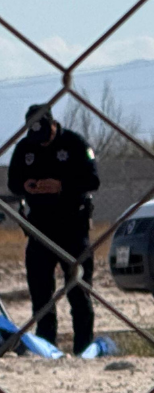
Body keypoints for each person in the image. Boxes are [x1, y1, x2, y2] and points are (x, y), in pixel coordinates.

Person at [6, 104, 99, 355]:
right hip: (39, 228)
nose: (41, 143)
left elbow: (93, 180)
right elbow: (13, 182)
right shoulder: (25, 148)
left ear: (53, 125)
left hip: (72, 228)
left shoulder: (75, 144)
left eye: (44, 136)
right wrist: (27, 185)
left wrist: (60, 186)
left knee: (79, 292)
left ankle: (84, 348)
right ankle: (46, 346)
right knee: (40, 293)